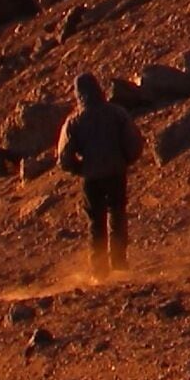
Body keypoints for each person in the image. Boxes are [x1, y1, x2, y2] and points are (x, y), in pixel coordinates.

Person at [55, 74, 143, 278]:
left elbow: (64, 156)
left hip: (91, 178)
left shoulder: (74, 121)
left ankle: (99, 271)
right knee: (117, 214)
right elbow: (133, 143)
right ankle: (120, 264)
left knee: (96, 222)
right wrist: (125, 160)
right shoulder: (116, 113)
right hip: (116, 171)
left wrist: (79, 168)